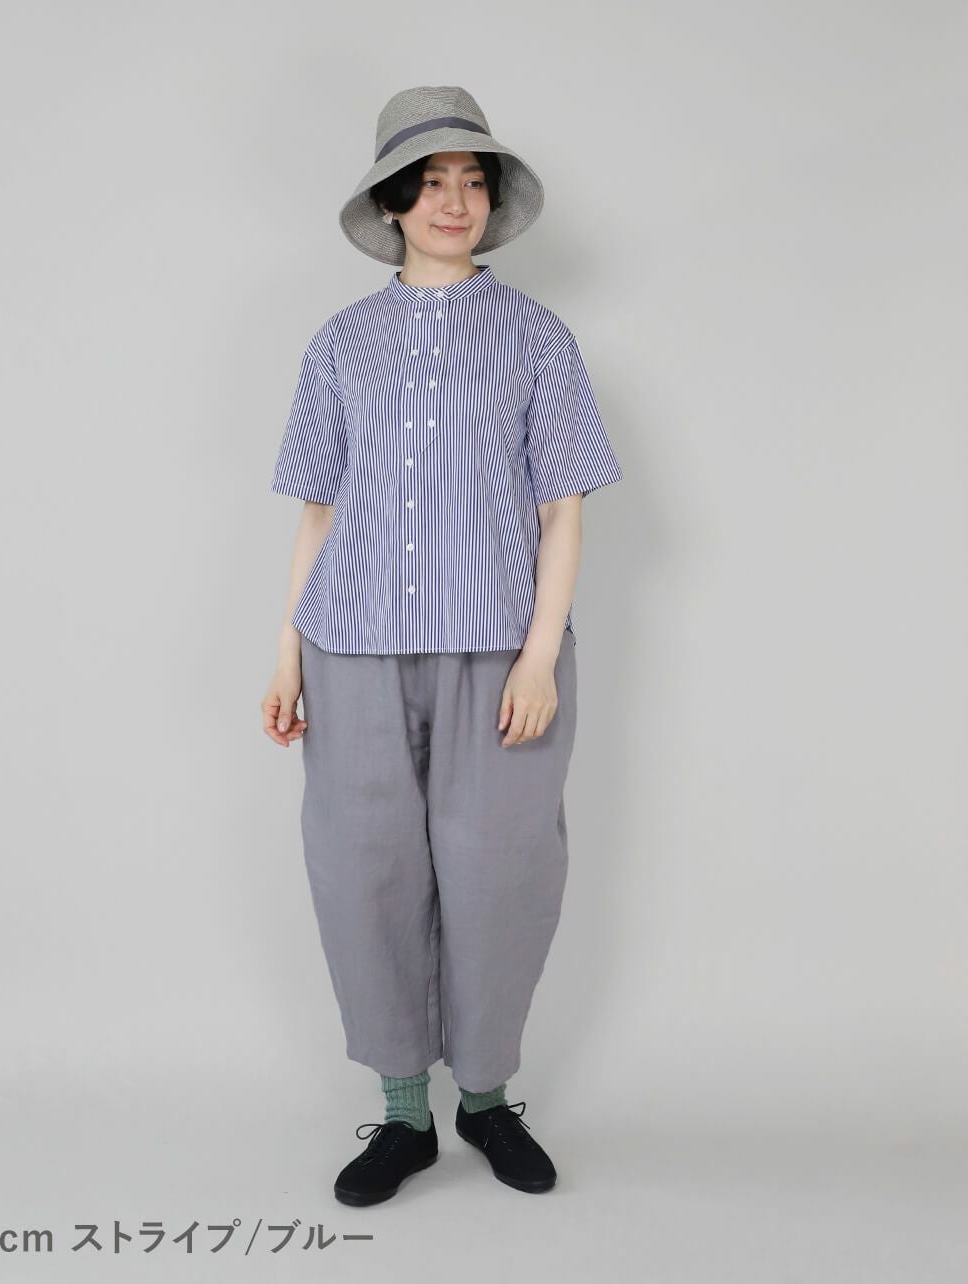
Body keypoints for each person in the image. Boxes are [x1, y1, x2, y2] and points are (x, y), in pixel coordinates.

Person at [262, 86, 622, 1206]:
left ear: (491, 200)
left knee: (499, 874)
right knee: (362, 870)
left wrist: (539, 654)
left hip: (499, 653)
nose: (451, 201)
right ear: (391, 203)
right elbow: (319, 513)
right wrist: (287, 656)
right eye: (428, 182)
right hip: (352, 648)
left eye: (471, 181)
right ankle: (403, 1116)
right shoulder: (340, 343)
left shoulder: (537, 338)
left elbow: (562, 508)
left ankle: (486, 1101)